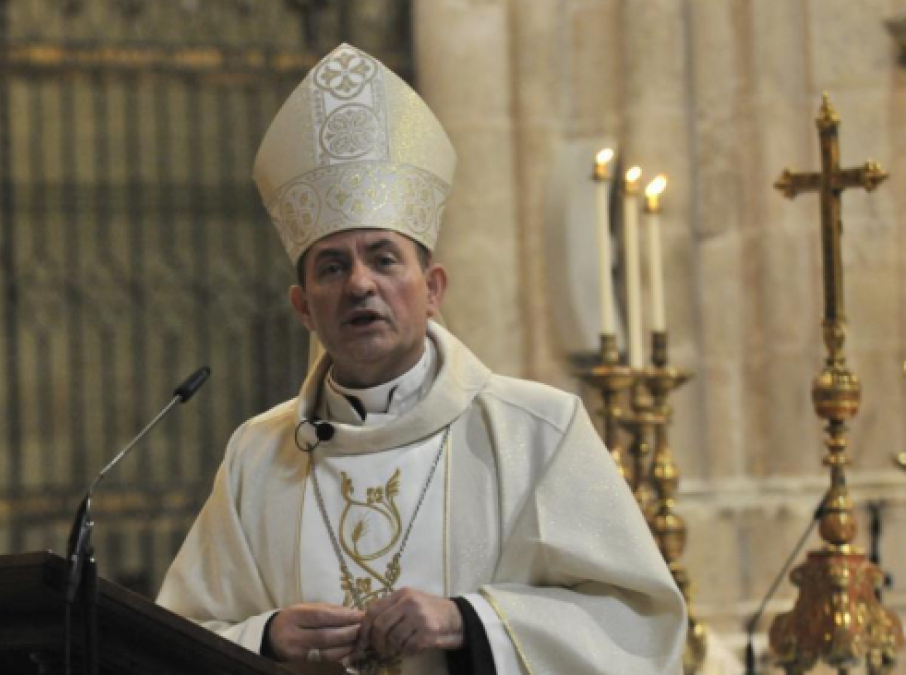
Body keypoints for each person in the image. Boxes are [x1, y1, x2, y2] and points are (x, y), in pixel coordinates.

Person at [157, 43, 686, 675]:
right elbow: (176, 640)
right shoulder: (257, 455)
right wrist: (267, 637)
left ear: (433, 288)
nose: (359, 284)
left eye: (383, 258)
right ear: (303, 307)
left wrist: (466, 622)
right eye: (333, 266)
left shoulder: (535, 429)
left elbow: (638, 625)